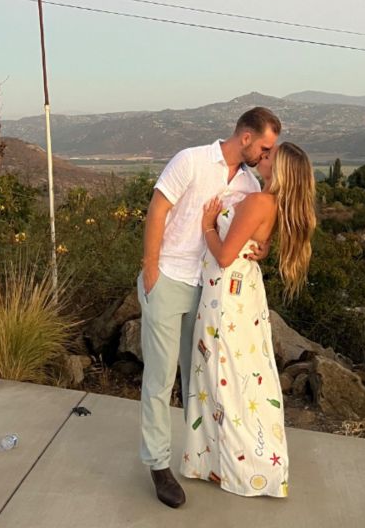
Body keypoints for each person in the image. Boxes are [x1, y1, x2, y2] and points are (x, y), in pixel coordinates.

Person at [139, 107, 281, 508]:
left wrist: (265, 246)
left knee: (198, 379)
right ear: (247, 137)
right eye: (265, 147)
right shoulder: (191, 160)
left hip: (209, 291)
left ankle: (199, 456)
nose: (267, 155)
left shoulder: (249, 183)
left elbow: (248, 229)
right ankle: (158, 465)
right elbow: (157, 210)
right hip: (168, 279)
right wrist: (151, 269)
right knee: (160, 379)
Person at [180, 141, 316, 498]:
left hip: (225, 296)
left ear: (279, 169)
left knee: (221, 376)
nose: (262, 157)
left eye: (269, 156)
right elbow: (247, 243)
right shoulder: (269, 202)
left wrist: (208, 226)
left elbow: (225, 256)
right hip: (242, 295)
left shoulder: (258, 201)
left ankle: (235, 467)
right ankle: (225, 462)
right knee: (241, 375)